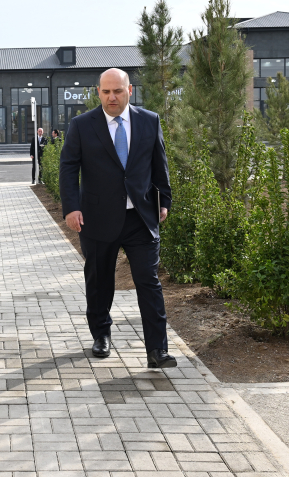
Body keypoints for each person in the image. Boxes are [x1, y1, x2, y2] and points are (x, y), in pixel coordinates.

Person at [59, 68, 176, 369]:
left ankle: (157, 350)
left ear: (129, 90)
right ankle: (101, 334)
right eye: (106, 91)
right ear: (98, 92)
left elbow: (159, 164)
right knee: (99, 280)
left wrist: (164, 201)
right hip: (96, 218)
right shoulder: (82, 125)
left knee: (148, 281)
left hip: (140, 217)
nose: (112, 97)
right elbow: (69, 168)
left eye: (118, 91)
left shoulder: (149, 121)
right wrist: (71, 207)